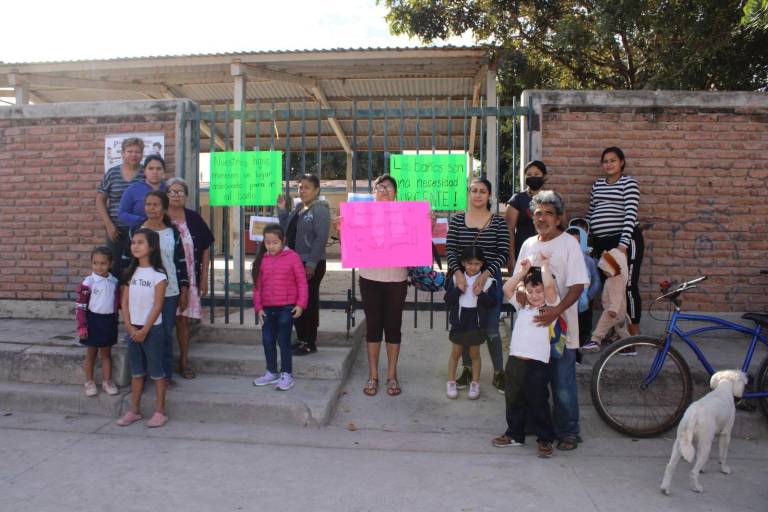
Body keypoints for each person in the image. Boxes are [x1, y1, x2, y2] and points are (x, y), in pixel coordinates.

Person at [513, 191, 588, 451]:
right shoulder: (528, 244)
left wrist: (557, 311)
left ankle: (569, 431)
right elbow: (519, 278)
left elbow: (578, 286)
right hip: (532, 330)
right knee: (533, 381)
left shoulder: (569, 245)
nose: (542, 218)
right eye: (537, 213)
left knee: (562, 381)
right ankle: (538, 426)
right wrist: (520, 290)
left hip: (560, 329)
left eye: (548, 214)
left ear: (559, 218)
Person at [345, 174, 409, 397]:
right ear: (373, 193)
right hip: (370, 277)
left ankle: (392, 375)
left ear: (396, 193)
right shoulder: (361, 215)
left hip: (396, 278)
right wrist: (341, 227)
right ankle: (373, 375)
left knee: (393, 327)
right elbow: (350, 243)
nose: (384, 191)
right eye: (380, 187)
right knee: (373, 326)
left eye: (389, 187)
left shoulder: (406, 215)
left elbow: (416, 241)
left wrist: (426, 225)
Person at [445, 177, 509, 393]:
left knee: (491, 328)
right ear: (469, 193)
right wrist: (458, 274)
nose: (478, 194)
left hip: (489, 283)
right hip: (463, 282)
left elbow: (503, 252)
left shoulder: (498, 222)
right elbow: (451, 250)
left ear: (489, 195)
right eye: (474, 190)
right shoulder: (457, 221)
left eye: (483, 191)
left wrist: (486, 274)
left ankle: (499, 373)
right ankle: (467, 369)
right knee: (465, 326)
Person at [493, 255, 558, 458]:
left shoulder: (550, 309)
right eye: (530, 291)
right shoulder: (522, 306)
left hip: (537, 364)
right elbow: (507, 288)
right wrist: (522, 272)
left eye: (538, 291)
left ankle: (545, 439)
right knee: (513, 400)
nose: (535, 295)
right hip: (515, 361)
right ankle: (514, 434)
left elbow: (550, 288)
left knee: (539, 402)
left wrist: (544, 265)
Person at [123, 191, 189, 386]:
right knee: (140, 331)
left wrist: (184, 289)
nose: (150, 208)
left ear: (164, 208)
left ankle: (164, 375)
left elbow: (180, 261)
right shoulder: (137, 230)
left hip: (169, 291)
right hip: (141, 291)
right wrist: (123, 287)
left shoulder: (173, 232)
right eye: (148, 204)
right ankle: (141, 375)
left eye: (155, 204)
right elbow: (126, 260)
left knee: (165, 334)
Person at [587, 147, 643, 340]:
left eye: (613, 160)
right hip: (603, 245)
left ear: (621, 162)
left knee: (628, 286)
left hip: (624, 242)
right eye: (605, 161)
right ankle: (617, 333)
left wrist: (623, 245)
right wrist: (588, 240)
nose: (609, 164)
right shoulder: (597, 185)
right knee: (610, 289)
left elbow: (630, 214)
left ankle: (634, 335)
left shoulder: (629, 183)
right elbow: (591, 213)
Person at [117, 228, 169, 428]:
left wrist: (145, 330)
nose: (135, 246)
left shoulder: (159, 275)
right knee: (136, 372)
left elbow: (157, 306)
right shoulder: (130, 273)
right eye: (133, 242)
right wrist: (130, 327)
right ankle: (134, 411)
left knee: (156, 372)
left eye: (140, 242)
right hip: (133, 329)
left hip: (152, 330)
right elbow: (124, 302)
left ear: (152, 247)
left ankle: (160, 411)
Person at [277, 174, 330, 356]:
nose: (302, 190)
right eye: (300, 187)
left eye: (307, 187)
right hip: (295, 262)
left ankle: (309, 342)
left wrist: (311, 264)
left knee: (308, 303)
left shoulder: (320, 210)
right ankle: (301, 339)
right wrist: (282, 210)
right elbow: (286, 228)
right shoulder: (300, 208)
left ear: (316, 190)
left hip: (310, 264)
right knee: (296, 301)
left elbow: (321, 238)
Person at [167, 177, 214, 379]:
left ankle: (184, 362)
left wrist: (203, 278)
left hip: (189, 278)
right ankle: (162, 366)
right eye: (172, 191)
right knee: (163, 321)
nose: (176, 195)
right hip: (165, 279)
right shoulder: (160, 218)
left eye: (180, 192)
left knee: (182, 320)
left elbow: (206, 247)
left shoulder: (193, 218)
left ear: (186, 195)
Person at [251, 223, 308, 391]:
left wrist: (300, 304)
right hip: (267, 309)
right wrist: (258, 308)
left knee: (283, 341)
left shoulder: (293, 257)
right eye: (267, 242)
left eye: (275, 242)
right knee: (267, 341)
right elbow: (257, 287)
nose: (271, 246)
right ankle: (271, 372)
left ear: (283, 241)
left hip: (286, 308)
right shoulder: (262, 260)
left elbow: (302, 283)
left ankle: (286, 374)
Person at [445, 246, 497, 400]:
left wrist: (481, 294)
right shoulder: (456, 278)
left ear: (482, 264)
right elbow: (448, 300)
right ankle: (451, 382)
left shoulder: (488, 282)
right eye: (469, 263)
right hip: (460, 321)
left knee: (475, 354)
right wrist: (458, 290)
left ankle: (475, 383)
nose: (473, 267)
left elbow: (492, 303)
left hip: (476, 322)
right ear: (463, 263)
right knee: (456, 353)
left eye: (477, 264)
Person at [96, 137, 144, 280]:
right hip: (116, 231)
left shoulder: (146, 173)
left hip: (140, 230)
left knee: (137, 267)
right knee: (114, 268)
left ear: (142, 154)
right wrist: (109, 225)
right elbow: (100, 200)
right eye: (130, 151)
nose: (134, 154)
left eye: (137, 152)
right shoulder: (112, 173)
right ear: (122, 153)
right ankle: (116, 295)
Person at [76, 247, 120, 397]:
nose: (99, 267)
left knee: (106, 353)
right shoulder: (88, 282)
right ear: (91, 263)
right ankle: (89, 382)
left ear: (110, 264)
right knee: (91, 353)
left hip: (108, 321)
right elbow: (81, 306)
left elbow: (116, 302)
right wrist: (82, 327)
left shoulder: (114, 281)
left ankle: (107, 381)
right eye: (95, 263)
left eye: (103, 263)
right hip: (92, 321)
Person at [580, 248, 630, 352]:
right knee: (622, 331)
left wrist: (613, 309)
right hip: (620, 311)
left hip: (612, 311)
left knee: (602, 326)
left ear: (612, 268)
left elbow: (617, 296)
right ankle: (629, 347)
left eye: (605, 269)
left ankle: (595, 340)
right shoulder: (616, 278)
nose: (603, 272)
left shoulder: (615, 280)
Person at [566, 226, 601, 360]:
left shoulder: (588, 261)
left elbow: (596, 280)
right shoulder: (563, 258)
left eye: (577, 242)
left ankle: (578, 357)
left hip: (584, 303)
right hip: (567, 302)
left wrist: (589, 296)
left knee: (582, 330)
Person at [505, 160, 548, 271]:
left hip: (547, 252)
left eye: (536, 174)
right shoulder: (517, 199)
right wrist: (511, 258)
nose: (533, 177)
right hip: (522, 252)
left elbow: (561, 226)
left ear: (544, 176)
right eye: (529, 174)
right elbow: (509, 230)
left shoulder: (552, 199)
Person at [118, 155, 166, 227]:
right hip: (140, 230)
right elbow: (122, 214)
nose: (155, 172)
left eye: (158, 169)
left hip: (165, 230)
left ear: (164, 171)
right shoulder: (133, 189)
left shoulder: (168, 189)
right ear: (144, 171)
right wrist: (142, 221)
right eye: (151, 168)